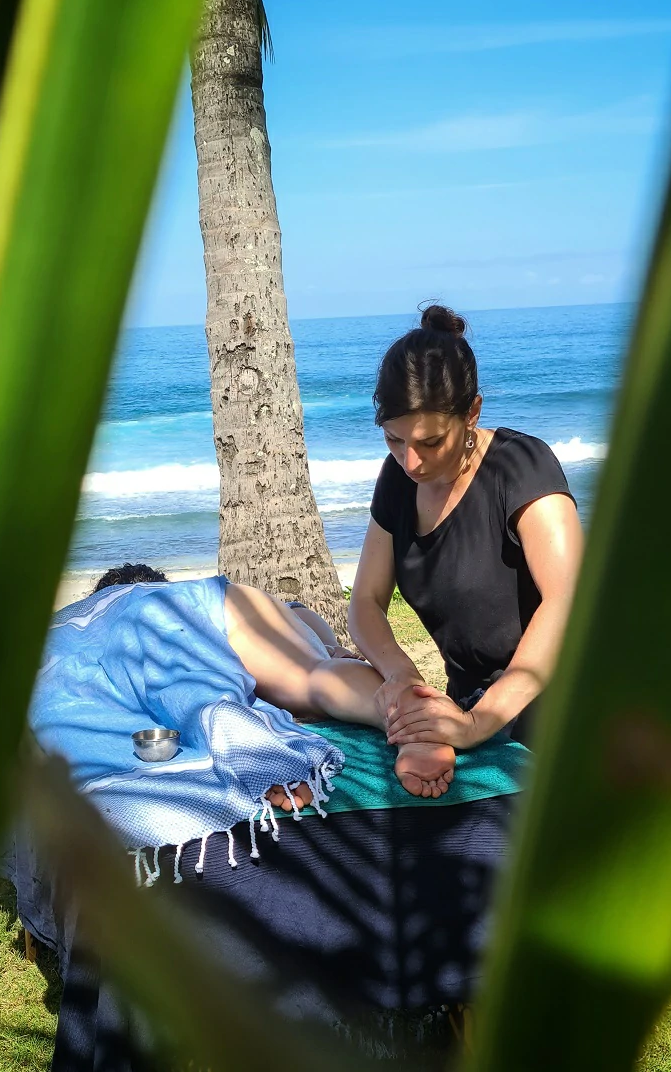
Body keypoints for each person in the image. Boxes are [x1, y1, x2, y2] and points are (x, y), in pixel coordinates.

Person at [348, 305, 584, 797]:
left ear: (472, 412)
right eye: (394, 439)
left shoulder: (521, 467)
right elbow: (366, 600)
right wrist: (404, 679)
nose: (410, 461)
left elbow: (569, 601)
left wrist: (480, 722)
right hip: (470, 711)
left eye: (431, 442)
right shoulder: (397, 479)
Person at [77, 565, 387, 809]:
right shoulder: (199, 610)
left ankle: (333, 654)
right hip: (283, 625)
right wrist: (330, 647)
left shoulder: (120, 634)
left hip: (281, 636)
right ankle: (345, 660)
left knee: (310, 660)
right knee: (313, 657)